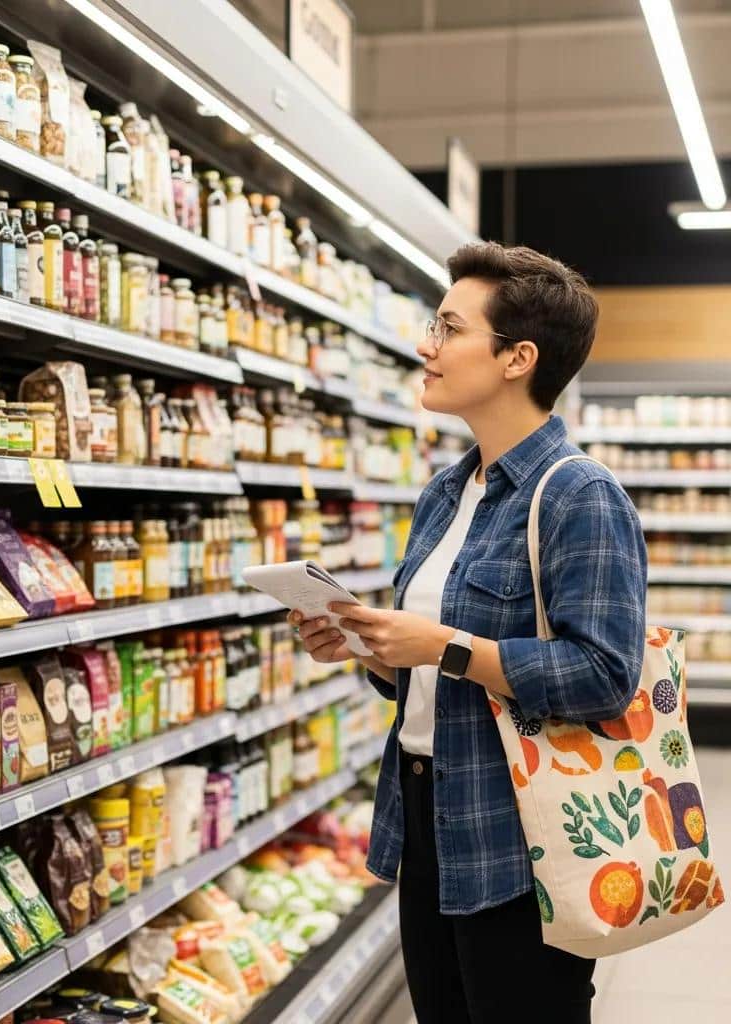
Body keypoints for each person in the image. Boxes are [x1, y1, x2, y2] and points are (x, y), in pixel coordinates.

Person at [291, 242, 647, 1024]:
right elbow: (421, 674)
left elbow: (605, 673)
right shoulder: (445, 494)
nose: (426, 346)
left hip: (526, 830)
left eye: (448, 328)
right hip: (425, 811)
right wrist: (364, 648)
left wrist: (440, 646)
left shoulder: (579, 495)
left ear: (519, 358)